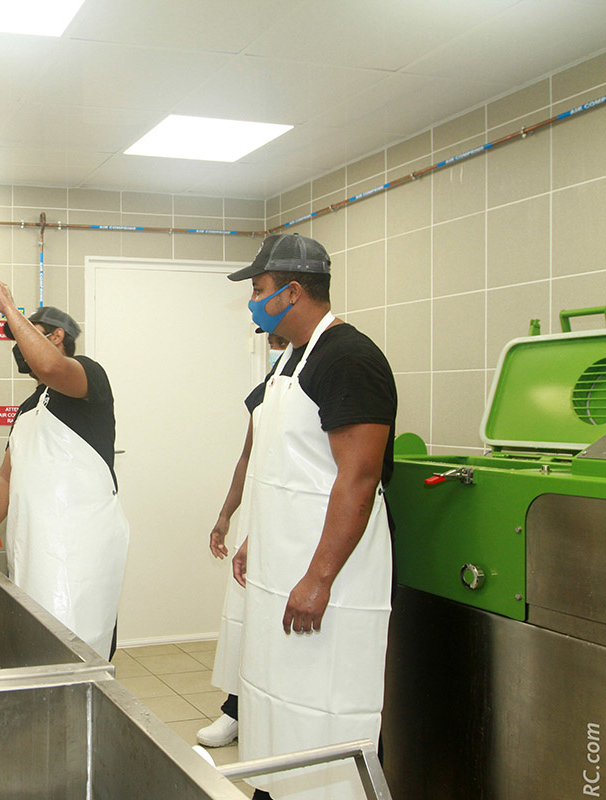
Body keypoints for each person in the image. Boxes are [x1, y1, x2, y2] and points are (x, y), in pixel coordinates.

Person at [229, 234, 396, 800]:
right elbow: (288, 468)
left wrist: (320, 576)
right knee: (277, 695)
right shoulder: (290, 359)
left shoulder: (349, 358)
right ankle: (276, 790)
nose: (252, 302)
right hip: (286, 563)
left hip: (331, 575)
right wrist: (258, 536)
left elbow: (359, 477)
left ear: (291, 292)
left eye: (258, 290)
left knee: (321, 703)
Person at [0, 279, 130, 661]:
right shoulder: (28, 410)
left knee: (77, 647)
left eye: (27, 335)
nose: (19, 347)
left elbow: (50, 366)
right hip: (33, 547)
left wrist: (9, 310)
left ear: (56, 336)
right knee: (38, 644)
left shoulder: (88, 378)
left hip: (80, 549)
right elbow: (6, 477)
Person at [197, 331, 288, 749]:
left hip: (288, 519)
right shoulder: (269, 384)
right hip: (255, 510)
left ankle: (270, 712)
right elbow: (247, 455)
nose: (264, 329)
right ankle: (235, 710)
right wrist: (225, 515)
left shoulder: (319, 372)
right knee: (242, 613)